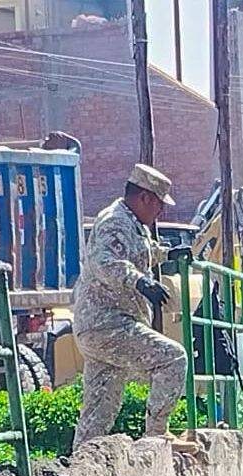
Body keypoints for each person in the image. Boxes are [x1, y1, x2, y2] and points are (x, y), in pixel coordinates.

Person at [72, 164, 193, 451]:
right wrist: (140, 283)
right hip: (108, 324)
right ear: (145, 198)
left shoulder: (130, 224)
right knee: (172, 358)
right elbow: (104, 262)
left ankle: (77, 467)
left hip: (101, 327)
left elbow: (140, 252)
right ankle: (157, 435)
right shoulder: (115, 222)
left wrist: (167, 253)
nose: (160, 212)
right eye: (160, 205)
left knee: (100, 408)